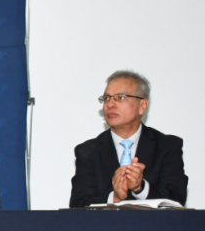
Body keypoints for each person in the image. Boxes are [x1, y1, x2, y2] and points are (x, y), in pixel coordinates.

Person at [69, 70, 187, 207]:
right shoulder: (88, 151)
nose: (110, 104)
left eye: (120, 97)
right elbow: (78, 206)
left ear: (142, 106)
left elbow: (177, 200)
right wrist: (115, 198)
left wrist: (141, 188)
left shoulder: (167, 146)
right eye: (107, 98)